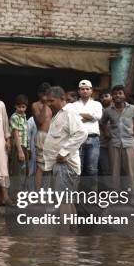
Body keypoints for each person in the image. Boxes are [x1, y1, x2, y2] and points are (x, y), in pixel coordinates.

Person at [42, 86, 87, 215]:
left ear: (62, 99)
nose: (49, 104)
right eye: (48, 101)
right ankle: (71, 232)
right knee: (68, 201)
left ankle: (64, 233)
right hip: (61, 165)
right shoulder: (59, 114)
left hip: (65, 166)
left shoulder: (69, 112)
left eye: (51, 101)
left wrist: (63, 153)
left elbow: (81, 133)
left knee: (64, 201)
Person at [100, 84, 134, 204]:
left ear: (124, 95)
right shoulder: (109, 111)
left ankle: (132, 197)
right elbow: (102, 123)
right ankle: (115, 197)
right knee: (114, 171)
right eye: (115, 94)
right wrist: (106, 132)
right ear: (112, 97)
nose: (117, 95)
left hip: (129, 143)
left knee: (130, 171)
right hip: (113, 143)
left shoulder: (133, 109)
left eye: (120, 93)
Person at [69, 80, 102, 192]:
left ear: (91, 91)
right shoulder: (73, 105)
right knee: (77, 168)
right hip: (78, 139)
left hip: (93, 139)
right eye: (82, 89)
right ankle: (74, 196)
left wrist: (81, 116)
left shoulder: (97, 104)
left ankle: (93, 194)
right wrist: (89, 116)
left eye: (87, 89)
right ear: (79, 91)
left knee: (92, 169)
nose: (85, 91)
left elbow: (98, 116)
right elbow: (73, 119)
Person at [32, 82, 53, 191]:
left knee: (51, 166)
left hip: (52, 137)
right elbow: (40, 121)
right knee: (40, 166)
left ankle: (47, 192)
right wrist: (44, 104)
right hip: (42, 136)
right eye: (44, 94)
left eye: (48, 94)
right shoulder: (35, 105)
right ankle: (38, 194)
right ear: (39, 94)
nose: (46, 96)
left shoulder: (51, 105)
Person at [9, 94, 29, 199]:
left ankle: (20, 195)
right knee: (17, 172)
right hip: (18, 147)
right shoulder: (15, 117)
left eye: (23, 107)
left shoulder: (24, 116)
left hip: (24, 146)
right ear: (15, 106)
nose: (21, 109)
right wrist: (20, 151)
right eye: (19, 107)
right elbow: (16, 134)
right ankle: (16, 197)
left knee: (24, 171)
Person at [98, 89, 113, 178]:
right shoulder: (98, 109)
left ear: (111, 97)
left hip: (115, 143)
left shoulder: (116, 109)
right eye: (102, 97)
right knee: (104, 169)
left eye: (106, 96)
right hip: (102, 143)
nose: (104, 98)